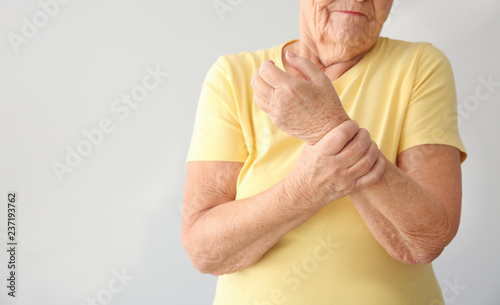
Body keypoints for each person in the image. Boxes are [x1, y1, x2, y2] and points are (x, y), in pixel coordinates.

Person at [182, 0, 467, 304]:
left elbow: (425, 241)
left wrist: (325, 126)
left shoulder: (420, 65)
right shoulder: (234, 76)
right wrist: (304, 190)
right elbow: (204, 252)